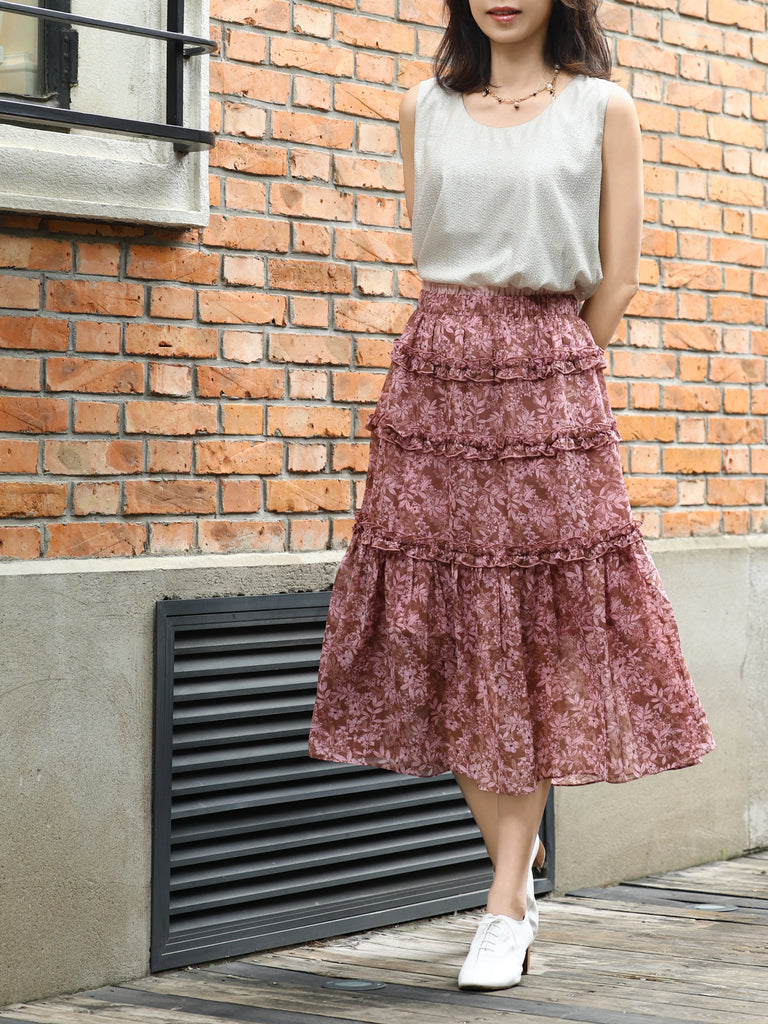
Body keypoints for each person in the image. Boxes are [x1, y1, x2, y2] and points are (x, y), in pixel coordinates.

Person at [308, 0, 716, 992]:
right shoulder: (423, 108)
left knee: (528, 629)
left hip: (548, 380)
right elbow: (434, 241)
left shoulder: (601, 108)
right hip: (435, 377)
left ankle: (502, 903)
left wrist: (552, 367)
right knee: (450, 629)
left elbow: (616, 279)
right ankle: (514, 854)